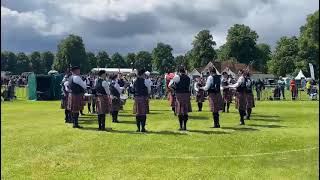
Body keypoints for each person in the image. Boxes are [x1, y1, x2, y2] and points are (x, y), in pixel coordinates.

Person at [169, 66, 192, 131]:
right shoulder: (188, 77)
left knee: (180, 112)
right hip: (186, 94)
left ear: (179, 71)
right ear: (184, 71)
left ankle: (181, 126)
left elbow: (170, 85)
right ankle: (185, 126)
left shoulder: (177, 77)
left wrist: (174, 89)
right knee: (185, 111)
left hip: (179, 94)